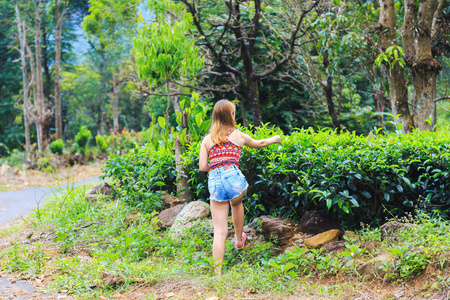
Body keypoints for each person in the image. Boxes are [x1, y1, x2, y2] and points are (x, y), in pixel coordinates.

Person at [199, 99, 281, 274]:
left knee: (219, 231)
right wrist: (274, 139)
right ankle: (238, 239)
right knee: (236, 201)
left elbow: (202, 167)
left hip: (215, 181)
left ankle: (217, 274)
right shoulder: (238, 135)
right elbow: (260, 144)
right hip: (233, 178)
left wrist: (216, 166)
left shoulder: (207, 140)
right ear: (231, 115)